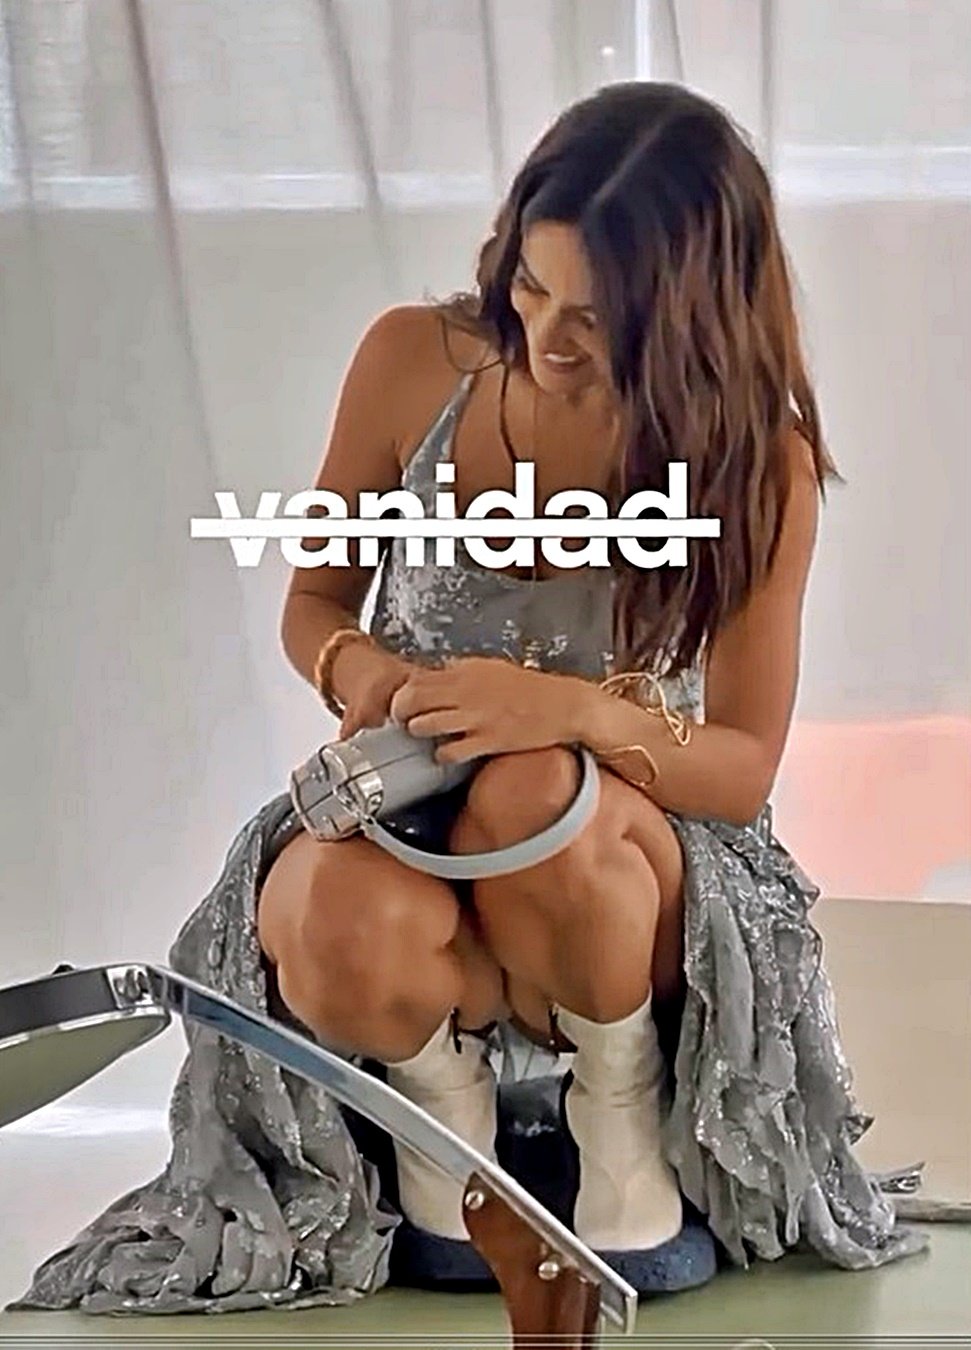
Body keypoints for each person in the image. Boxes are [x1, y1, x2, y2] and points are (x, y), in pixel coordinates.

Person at [10, 80, 930, 1318]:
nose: (545, 338)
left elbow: (738, 768)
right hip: (413, 820)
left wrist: (570, 713)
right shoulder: (410, 362)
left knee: (534, 791)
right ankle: (443, 1122)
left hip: (621, 879)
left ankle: (618, 1111)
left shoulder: (757, 462)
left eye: (594, 319)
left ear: (690, 313)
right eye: (530, 290)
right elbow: (313, 604)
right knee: (326, 903)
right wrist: (364, 674)